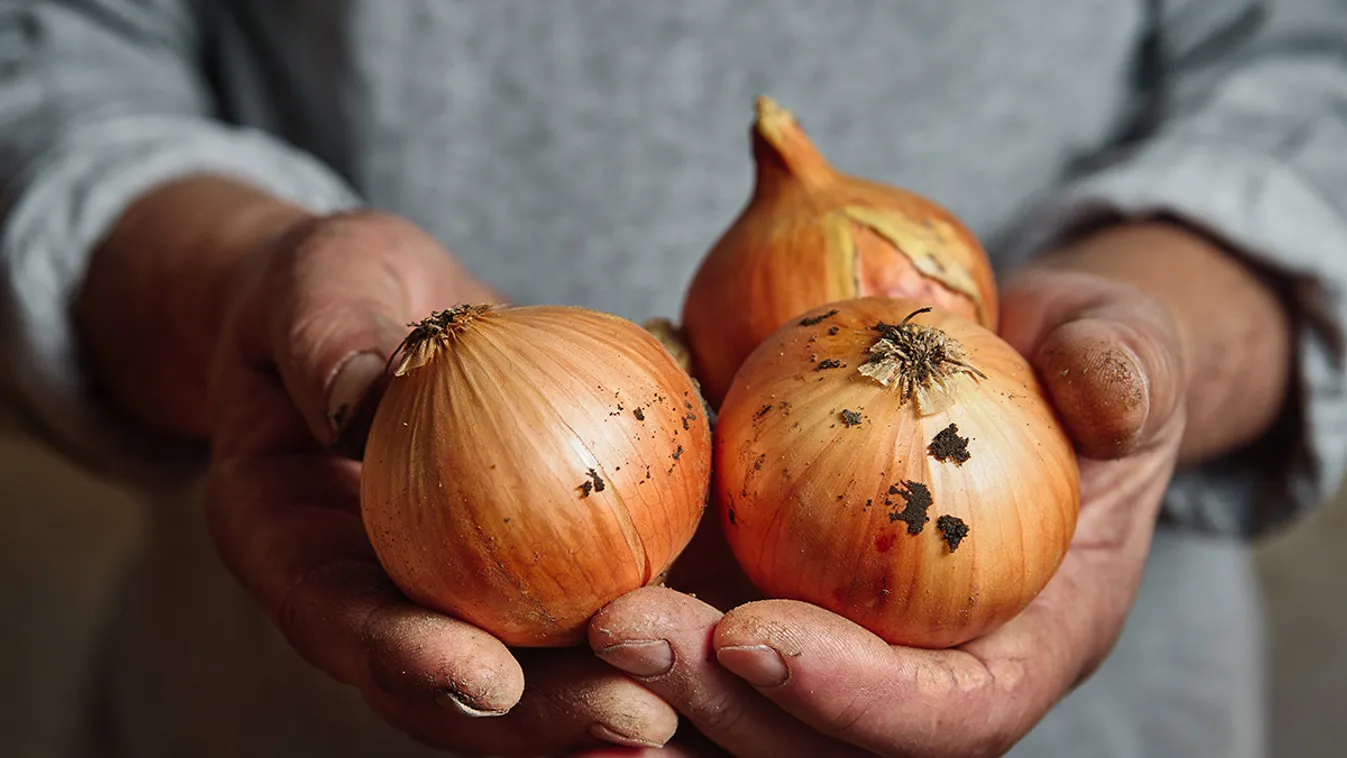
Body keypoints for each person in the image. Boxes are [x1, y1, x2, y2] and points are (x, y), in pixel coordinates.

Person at [1, 1, 1344, 756]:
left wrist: (1160, 331)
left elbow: (1314, 68)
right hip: (291, 708)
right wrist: (239, 282)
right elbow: (45, 58)